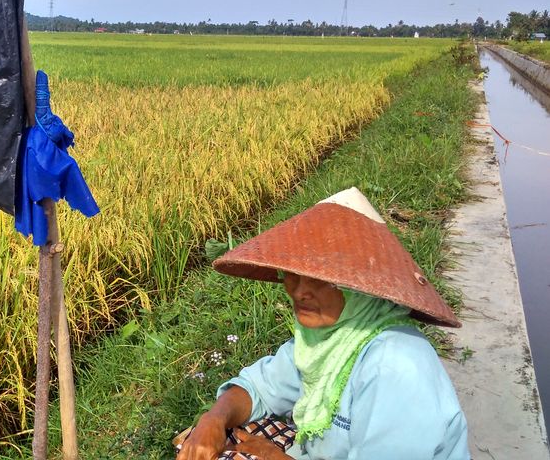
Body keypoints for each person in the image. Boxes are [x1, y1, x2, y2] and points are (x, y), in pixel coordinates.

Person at [176, 187, 468, 460]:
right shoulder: (325, 340)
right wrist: (213, 418)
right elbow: (260, 387)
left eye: (320, 280)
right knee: (207, 441)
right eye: (293, 274)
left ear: (361, 288)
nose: (299, 292)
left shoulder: (397, 366)